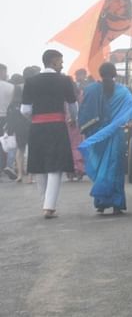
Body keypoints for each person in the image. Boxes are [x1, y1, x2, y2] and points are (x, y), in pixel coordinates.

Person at [20, 50, 78, 218]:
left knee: (39, 165)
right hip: (57, 126)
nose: (62, 64)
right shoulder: (65, 80)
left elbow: (25, 110)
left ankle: (45, 203)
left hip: (37, 126)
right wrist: (73, 119)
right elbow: (73, 106)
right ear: (53, 62)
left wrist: (36, 118)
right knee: (56, 165)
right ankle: (49, 206)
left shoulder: (30, 81)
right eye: (60, 61)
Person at [77, 62, 132, 214]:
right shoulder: (123, 92)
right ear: (115, 74)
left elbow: (83, 113)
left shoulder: (90, 90)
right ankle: (117, 204)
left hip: (97, 136)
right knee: (115, 169)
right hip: (115, 135)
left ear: (100, 73)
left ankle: (101, 203)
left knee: (101, 169)